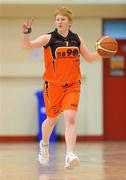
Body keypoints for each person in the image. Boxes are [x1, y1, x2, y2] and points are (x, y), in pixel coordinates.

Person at [22, 7, 101, 169]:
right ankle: (44, 145)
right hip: (53, 86)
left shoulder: (77, 39)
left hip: (72, 85)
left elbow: (90, 58)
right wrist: (26, 33)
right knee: (51, 120)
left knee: (71, 118)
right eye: (57, 19)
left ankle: (70, 154)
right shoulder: (48, 38)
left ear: (69, 22)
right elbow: (27, 46)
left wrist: (102, 52)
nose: (59, 21)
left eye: (62, 19)